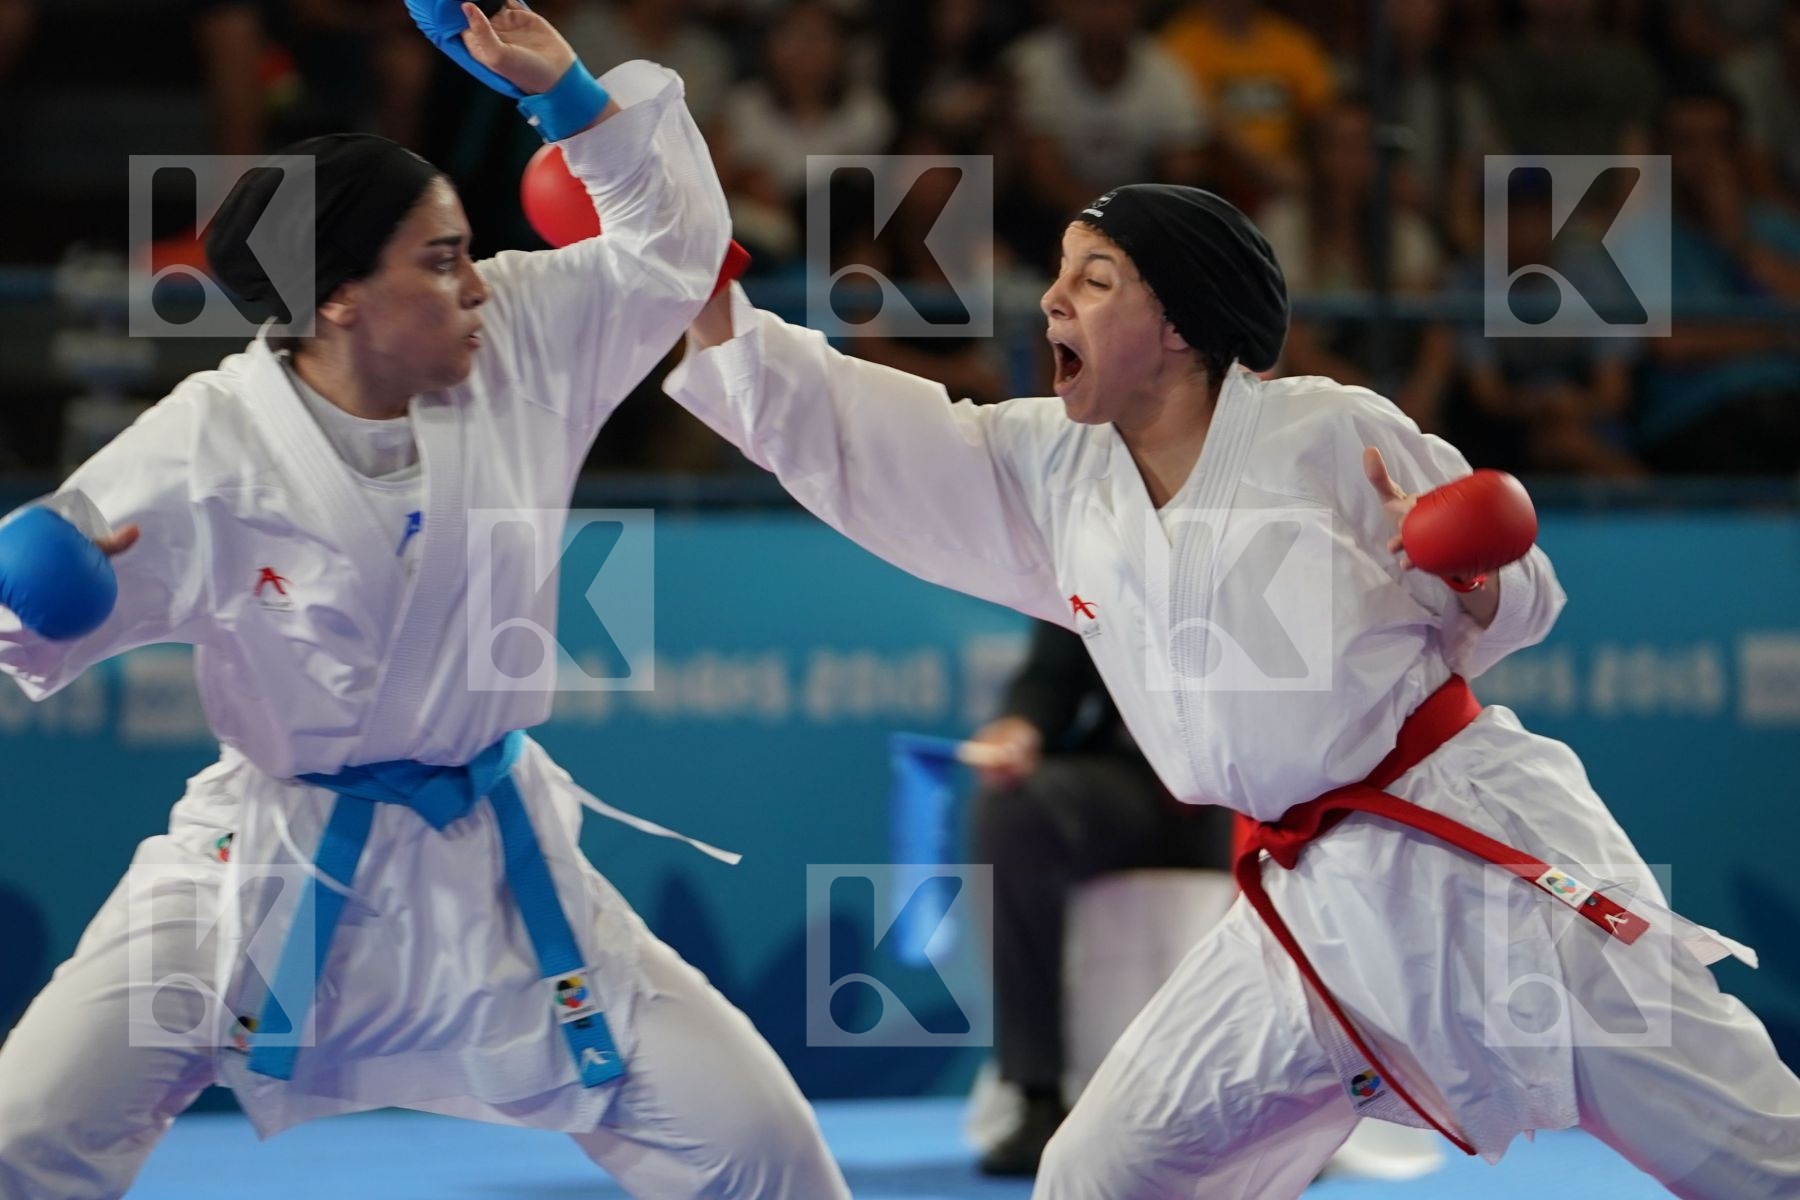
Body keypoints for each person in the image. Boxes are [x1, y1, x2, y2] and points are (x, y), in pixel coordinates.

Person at [665, 182, 1800, 1197]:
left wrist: (1464, 566)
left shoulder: (1331, 429)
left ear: (1179, 323)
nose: (1051, 301)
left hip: (1473, 859)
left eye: (1093, 279)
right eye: (1058, 274)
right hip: (1303, 908)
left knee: (1759, 1157)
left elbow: (1526, 599)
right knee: (1100, 1175)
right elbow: (844, 425)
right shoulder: (1052, 469)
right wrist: (681, 260)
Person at [0, 4, 848, 1197]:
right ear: (340, 298)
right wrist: (32, 587)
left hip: (495, 864)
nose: (478, 283)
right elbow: (28, 620)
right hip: (260, 870)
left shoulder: (524, 340)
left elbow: (675, 249)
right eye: (440, 259)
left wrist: (570, 97)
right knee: (22, 1135)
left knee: (759, 1147)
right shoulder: (205, 448)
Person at [968, 619, 1232, 1175]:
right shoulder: (1090, 566)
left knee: (1291, 813)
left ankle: (1289, 1108)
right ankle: (1038, 1095)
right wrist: (1020, 728)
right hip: (1135, 781)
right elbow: (1052, 675)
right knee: (1016, 812)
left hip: (1253, 779)